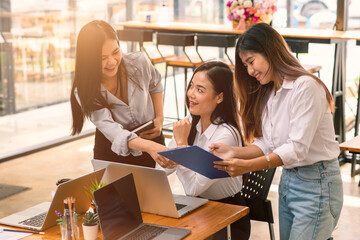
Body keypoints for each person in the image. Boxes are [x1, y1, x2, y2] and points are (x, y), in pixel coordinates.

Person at [211, 23, 343, 240]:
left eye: (251, 61)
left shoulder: (305, 87)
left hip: (317, 183)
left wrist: (247, 166)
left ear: (269, 51)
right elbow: (269, 143)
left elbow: (297, 149)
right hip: (289, 182)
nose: (250, 71)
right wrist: (234, 152)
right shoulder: (270, 93)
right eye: (245, 65)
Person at [157, 61, 250, 240]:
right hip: (199, 209)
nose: (191, 94)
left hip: (228, 216)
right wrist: (175, 155)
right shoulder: (191, 120)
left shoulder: (226, 136)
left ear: (219, 97)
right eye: (191, 86)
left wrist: (182, 146)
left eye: (200, 90)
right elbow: (161, 169)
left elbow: (193, 188)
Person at [70, 20, 174, 168]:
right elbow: (115, 133)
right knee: (112, 191)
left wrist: (159, 118)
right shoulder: (84, 90)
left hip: (151, 139)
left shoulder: (139, 62)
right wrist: (150, 147)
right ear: (88, 60)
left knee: (152, 190)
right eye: (102, 58)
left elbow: (155, 84)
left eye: (115, 52)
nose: (112, 62)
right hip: (112, 150)